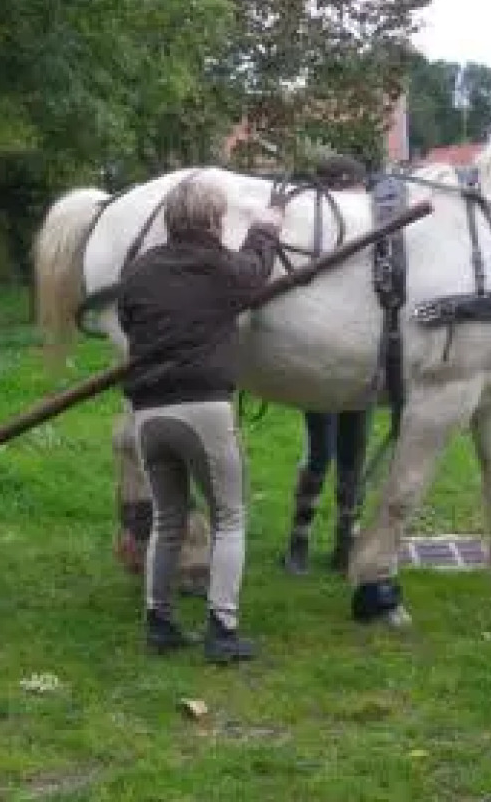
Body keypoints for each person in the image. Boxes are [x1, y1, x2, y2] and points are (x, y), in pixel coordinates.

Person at [117, 177, 286, 663]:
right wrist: (266, 228)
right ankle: (222, 628)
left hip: (149, 415)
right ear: (214, 220)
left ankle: (160, 622)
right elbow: (255, 273)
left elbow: (131, 323)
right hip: (204, 409)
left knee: (169, 520)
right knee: (229, 517)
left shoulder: (139, 270)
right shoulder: (217, 265)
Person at [282, 150, 374, 576]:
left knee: (353, 453)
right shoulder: (315, 230)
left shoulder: (369, 231)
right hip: (323, 359)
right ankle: (300, 537)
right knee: (321, 451)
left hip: (363, 358)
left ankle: (344, 538)